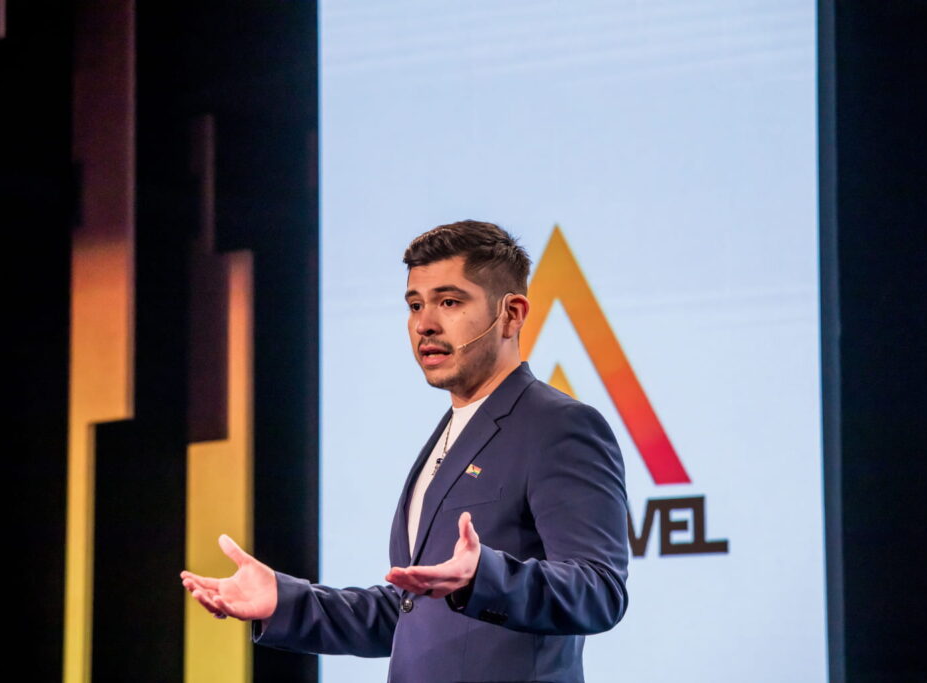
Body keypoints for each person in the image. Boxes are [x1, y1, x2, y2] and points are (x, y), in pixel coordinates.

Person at [181, 220, 630, 682]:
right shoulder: (451, 432)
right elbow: (413, 615)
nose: (424, 323)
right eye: (415, 304)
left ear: (512, 314)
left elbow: (599, 590)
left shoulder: (558, 425)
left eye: (449, 302)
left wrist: (483, 577)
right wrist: (287, 601)